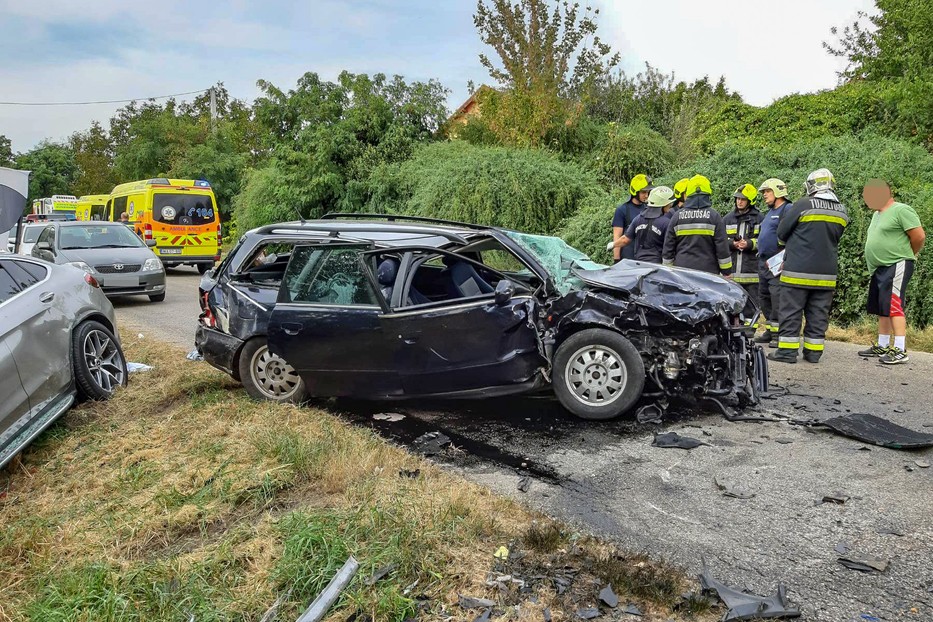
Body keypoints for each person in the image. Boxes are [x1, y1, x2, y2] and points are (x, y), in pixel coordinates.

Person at [769, 168, 848, 364]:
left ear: (811, 186)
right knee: (819, 314)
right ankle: (813, 353)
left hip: (797, 271)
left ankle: (787, 352)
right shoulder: (841, 210)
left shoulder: (804, 204)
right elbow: (836, 237)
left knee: (791, 312)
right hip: (826, 274)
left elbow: (782, 232)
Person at [857, 179, 926, 364]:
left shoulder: (901, 210)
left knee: (894, 304)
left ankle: (900, 350)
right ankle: (883, 345)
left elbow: (919, 236)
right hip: (880, 267)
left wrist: (907, 254)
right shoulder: (877, 215)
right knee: (883, 306)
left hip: (897, 264)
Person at [662, 174, 733, 276]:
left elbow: (668, 246)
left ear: (688, 194)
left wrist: (668, 271)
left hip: (682, 272)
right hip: (708, 272)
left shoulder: (677, 216)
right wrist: (727, 271)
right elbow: (722, 246)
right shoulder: (714, 216)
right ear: (708, 193)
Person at [754, 178, 792, 347]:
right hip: (764, 262)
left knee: (777, 298)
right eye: (764, 192)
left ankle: (779, 335)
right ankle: (770, 330)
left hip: (777, 262)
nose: (764, 195)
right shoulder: (769, 212)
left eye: (767, 191)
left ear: (778, 192)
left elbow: (790, 236)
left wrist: (784, 258)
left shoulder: (787, 209)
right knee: (764, 297)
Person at [607, 186, 675, 264]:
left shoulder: (638, 218)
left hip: (639, 264)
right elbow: (670, 245)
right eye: (669, 204)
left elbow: (625, 239)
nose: (670, 206)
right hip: (657, 265)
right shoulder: (666, 223)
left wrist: (613, 244)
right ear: (663, 204)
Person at [724, 184, 764, 304]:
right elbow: (720, 241)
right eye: (737, 198)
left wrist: (750, 244)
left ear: (750, 201)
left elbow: (765, 241)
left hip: (752, 275)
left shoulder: (760, 219)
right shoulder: (727, 219)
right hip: (731, 275)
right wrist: (732, 244)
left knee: (752, 309)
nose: (739, 202)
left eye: (743, 199)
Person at [611, 174, 653, 262]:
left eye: (648, 192)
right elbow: (617, 237)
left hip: (645, 258)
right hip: (627, 259)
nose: (646, 195)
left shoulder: (649, 209)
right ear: (635, 192)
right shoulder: (622, 210)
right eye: (643, 192)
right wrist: (616, 259)